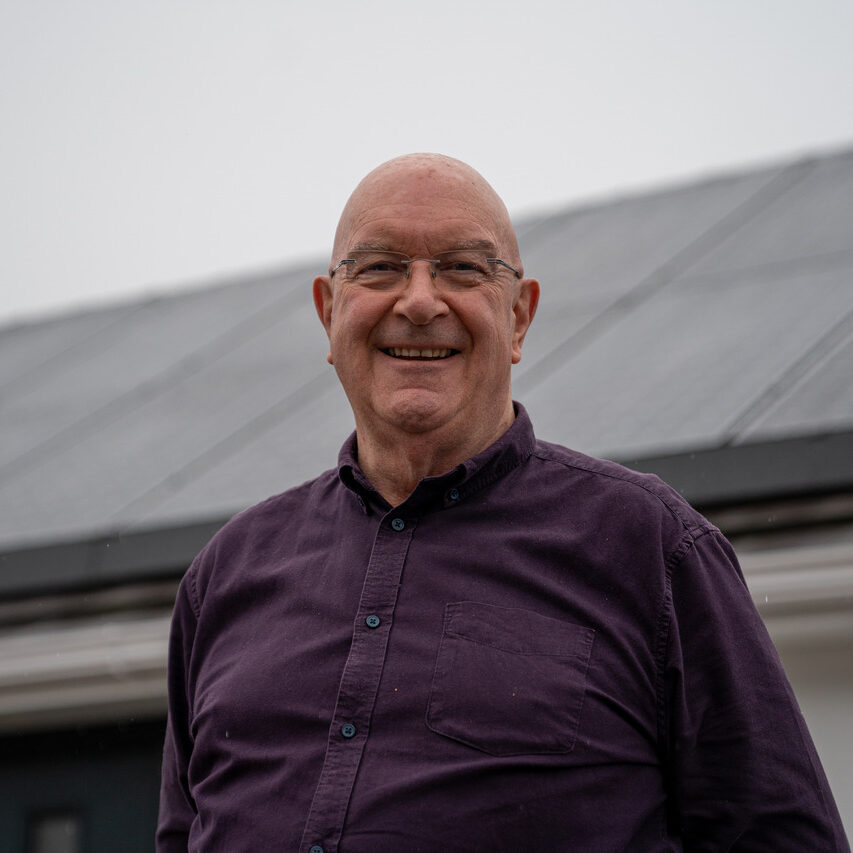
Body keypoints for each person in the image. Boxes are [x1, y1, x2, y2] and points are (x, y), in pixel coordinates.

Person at [157, 154, 849, 852]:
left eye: (462, 268)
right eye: (379, 268)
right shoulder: (226, 576)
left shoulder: (650, 550)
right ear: (328, 312)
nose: (419, 302)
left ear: (518, 317)